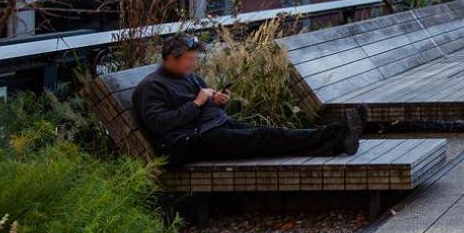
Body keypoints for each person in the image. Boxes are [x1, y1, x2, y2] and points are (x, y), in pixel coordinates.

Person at [134, 34, 360, 163]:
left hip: (212, 127)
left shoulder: (187, 76)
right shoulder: (151, 86)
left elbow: (204, 106)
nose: (194, 64)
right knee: (262, 137)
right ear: (171, 59)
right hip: (189, 143)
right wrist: (197, 102)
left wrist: (217, 101)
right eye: (189, 59)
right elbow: (160, 124)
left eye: (194, 59)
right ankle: (337, 134)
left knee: (269, 134)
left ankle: (337, 139)